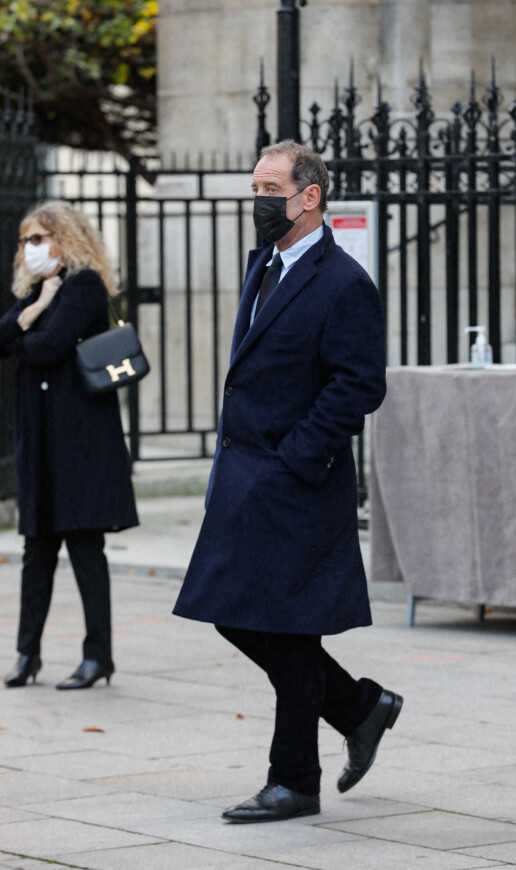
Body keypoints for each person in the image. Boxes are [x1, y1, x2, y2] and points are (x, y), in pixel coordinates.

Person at [173, 140, 403, 823]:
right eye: (254, 188)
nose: (259, 202)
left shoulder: (344, 283)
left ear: (311, 197)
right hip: (245, 475)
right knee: (233, 611)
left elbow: (358, 385)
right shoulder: (265, 263)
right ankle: (360, 708)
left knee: (290, 626)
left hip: (295, 478)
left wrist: (294, 459)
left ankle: (294, 780)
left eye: (271, 188)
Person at [0, 200, 139, 690]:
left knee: (85, 548)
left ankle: (97, 656)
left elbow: (46, 347)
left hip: (80, 440)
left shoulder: (85, 286)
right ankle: (27, 654)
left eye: (38, 238)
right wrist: (34, 309)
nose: (29, 248)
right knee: (36, 551)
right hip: (40, 440)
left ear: (66, 238)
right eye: (25, 241)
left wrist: (25, 330)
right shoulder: (38, 291)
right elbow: (5, 338)